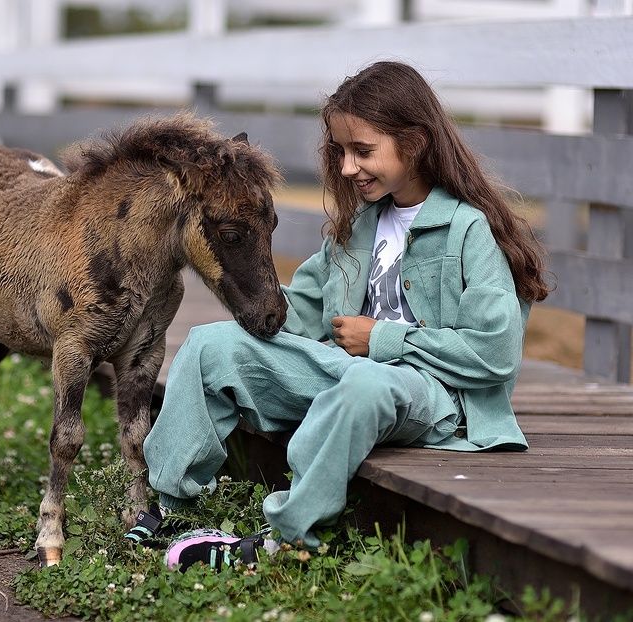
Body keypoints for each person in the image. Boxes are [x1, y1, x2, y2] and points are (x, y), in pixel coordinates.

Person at [125, 61, 549, 571]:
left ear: (414, 143)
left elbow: (496, 354)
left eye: (363, 151)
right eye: (342, 152)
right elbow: (296, 316)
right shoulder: (356, 229)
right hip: (346, 372)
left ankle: (288, 534)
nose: (347, 168)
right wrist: (246, 289)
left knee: (364, 385)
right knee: (211, 345)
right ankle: (168, 504)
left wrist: (385, 340)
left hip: (434, 395)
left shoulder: (467, 230)